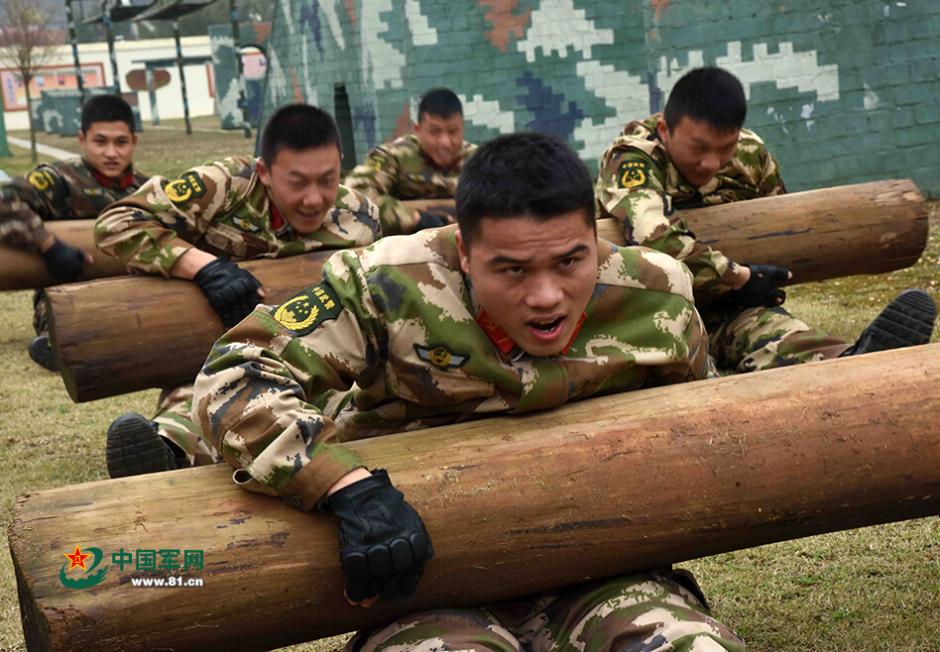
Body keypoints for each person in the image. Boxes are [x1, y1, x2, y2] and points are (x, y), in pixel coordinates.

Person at [192, 132, 745, 650]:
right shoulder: (388, 286)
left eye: (571, 260)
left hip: (605, 574)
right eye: (512, 270)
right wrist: (346, 487)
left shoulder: (658, 295)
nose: (547, 296)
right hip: (428, 589)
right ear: (464, 252)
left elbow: (696, 423)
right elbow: (235, 373)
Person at [96, 103, 381, 478]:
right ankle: (166, 449)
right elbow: (116, 223)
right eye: (297, 183)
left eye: (327, 180)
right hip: (213, 350)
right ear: (264, 171)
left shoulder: (359, 217)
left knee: (337, 406)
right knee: (207, 396)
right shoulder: (223, 185)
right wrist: (204, 267)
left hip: (313, 356)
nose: (313, 200)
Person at [595, 67, 935, 373]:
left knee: (775, 334)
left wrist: (759, 282)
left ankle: (855, 362)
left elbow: (778, 227)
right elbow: (653, 236)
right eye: (698, 148)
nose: (711, 163)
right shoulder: (632, 157)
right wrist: (740, 276)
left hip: (725, 305)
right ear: (666, 129)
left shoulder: (749, 154)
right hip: (649, 309)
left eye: (723, 148)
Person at [0, 94, 148, 370]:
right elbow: (4, 201)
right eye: (100, 142)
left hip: (128, 291)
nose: (111, 153)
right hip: (67, 292)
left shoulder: (146, 189)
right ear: (82, 140)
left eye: (121, 142)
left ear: (134, 142)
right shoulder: (60, 178)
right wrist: (50, 247)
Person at [344, 87, 477, 235]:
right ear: (417, 130)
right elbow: (354, 193)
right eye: (435, 132)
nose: (445, 142)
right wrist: (413, 218)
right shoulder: (394, 156)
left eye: (453, 132)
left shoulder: (478, 160)